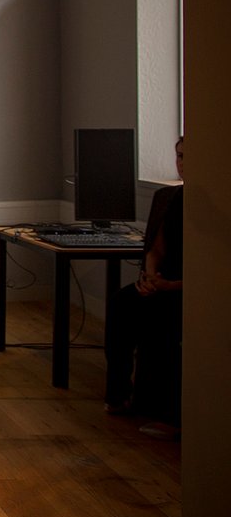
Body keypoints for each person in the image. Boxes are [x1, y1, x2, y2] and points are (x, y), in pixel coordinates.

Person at [104, 135, 184, 436]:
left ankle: (169, 415)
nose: (181, 163)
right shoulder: (175, 197)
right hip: (161, 282)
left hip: (188, 291)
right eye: (178, 155)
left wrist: (169, 286)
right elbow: (156, 249)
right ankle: (119, 394)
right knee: (122, 302)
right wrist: (150, 276)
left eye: (188, 156)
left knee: (159, 319)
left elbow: (213, 274)